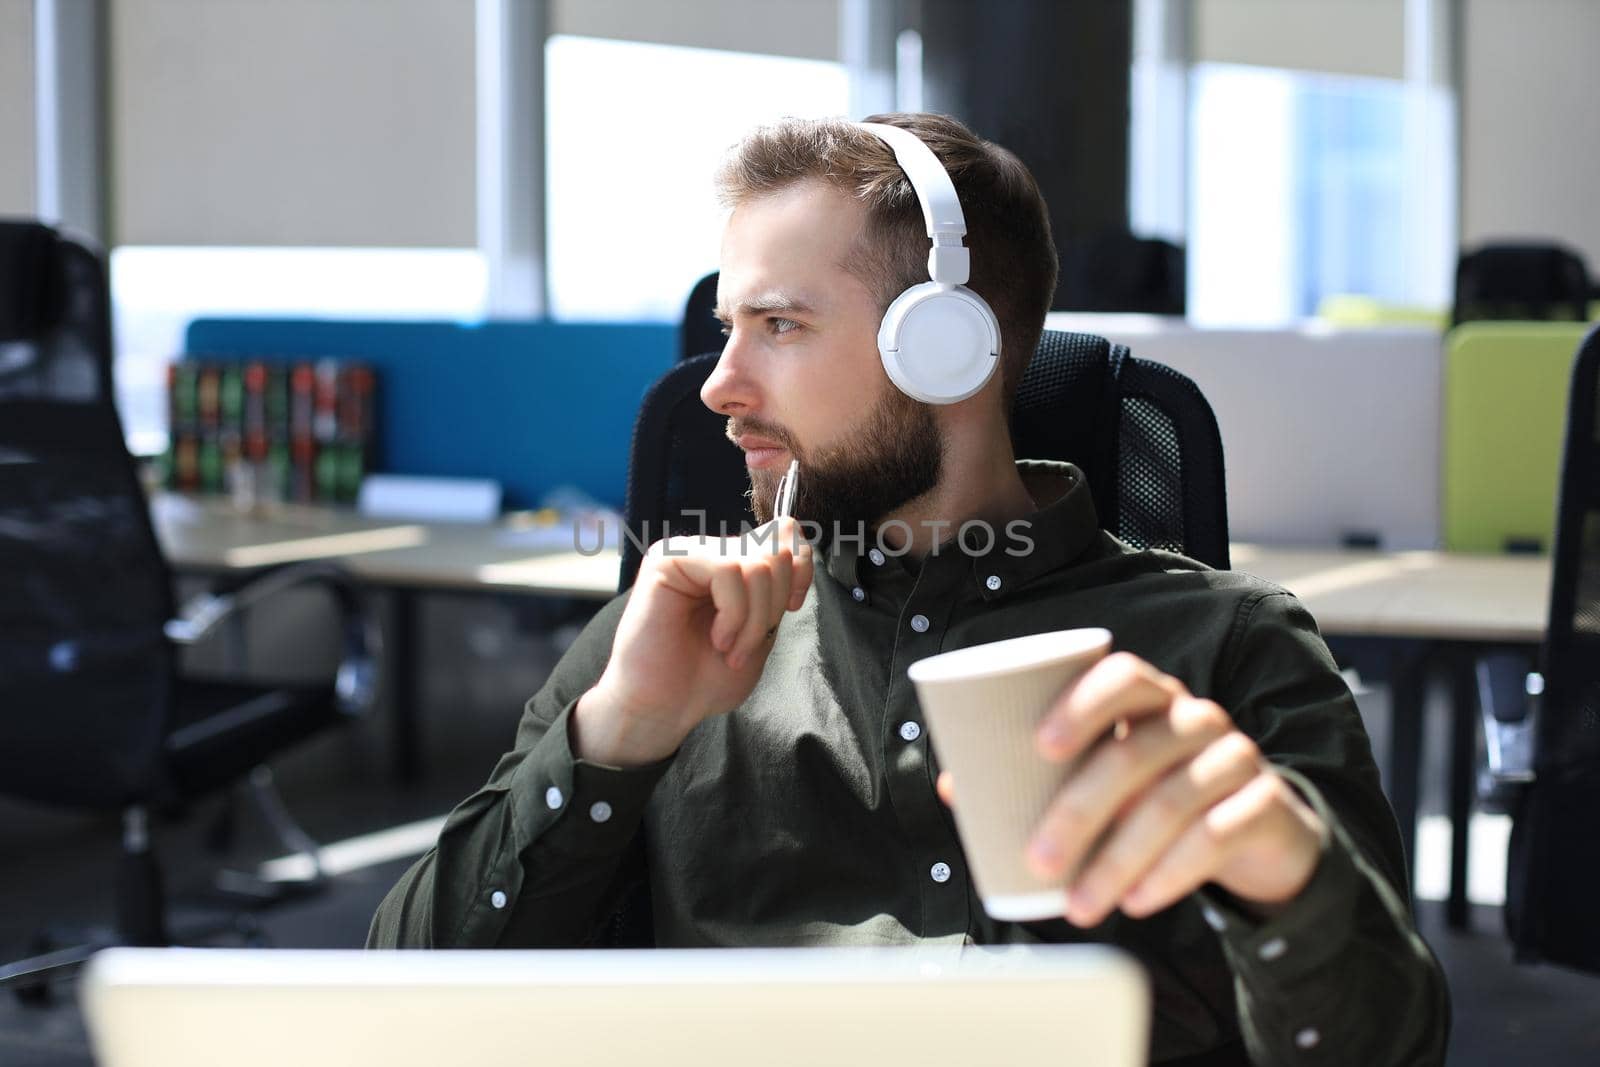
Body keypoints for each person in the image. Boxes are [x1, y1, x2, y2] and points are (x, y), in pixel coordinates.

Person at [369, 113, 1448, 1066]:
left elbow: (1388, 1045)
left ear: (944, 345)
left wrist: (1284, 877)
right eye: (725, 328)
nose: (716, 385)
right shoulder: (666, 639)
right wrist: (613, 732)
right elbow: (402, 994)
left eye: (779, 325)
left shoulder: (1225, 647)